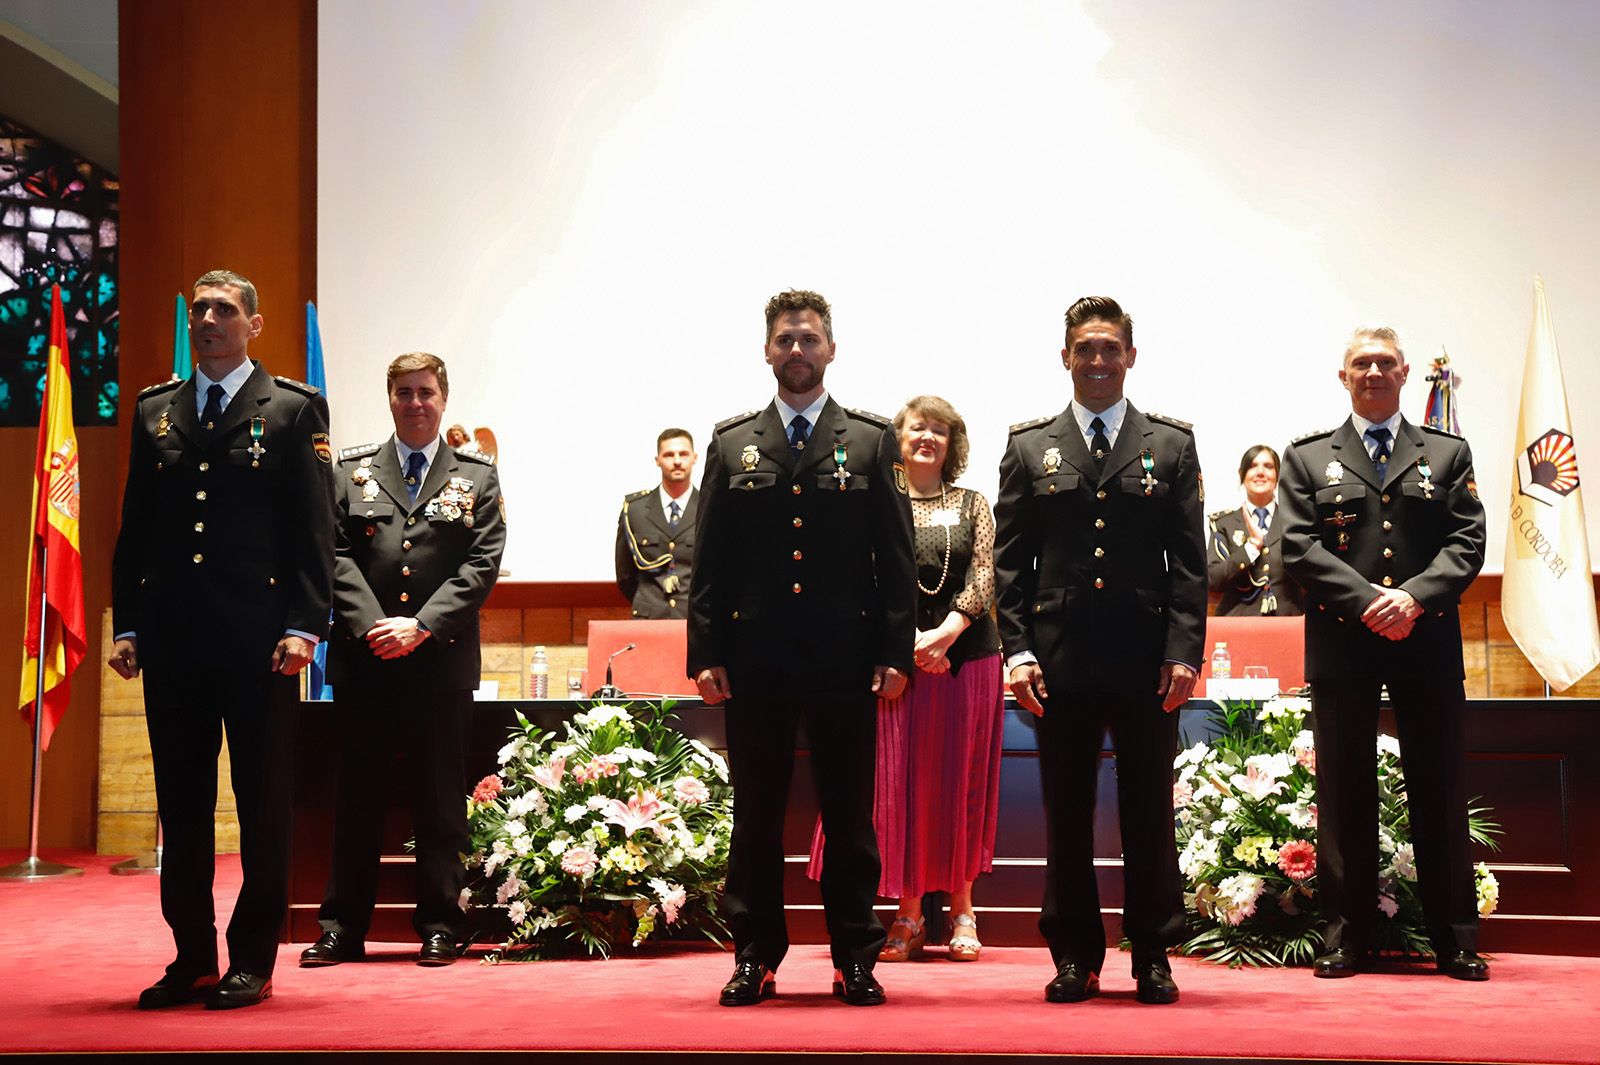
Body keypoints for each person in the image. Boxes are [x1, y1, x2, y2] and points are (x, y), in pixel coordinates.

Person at [109, 269, 336, 1010]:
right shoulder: (157, 410)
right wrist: (129, 622)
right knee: (182, 805)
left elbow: (313, 529)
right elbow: (136, 526)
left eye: (224, 309)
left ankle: (252, 958)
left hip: (261, 644)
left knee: (262, 803)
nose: (208, 318)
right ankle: (192, 956)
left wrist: (306, 626)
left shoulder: (293, 409)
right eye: (201, 307)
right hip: (174, 642)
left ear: (254, 324)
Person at [687, 289, 916, 1007]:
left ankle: (855, 954)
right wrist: (705, 650)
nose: (797, 351)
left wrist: (895, 652)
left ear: (831, 349)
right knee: (755, 814)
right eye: (785, 339)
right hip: (755, 661)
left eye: (810, 339)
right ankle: (755, 952)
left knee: (849, 815)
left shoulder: (872, 440)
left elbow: (896, 559)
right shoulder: (732, 443)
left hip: (844, 659)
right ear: (766, 350)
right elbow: (710, 560)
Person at [994, 295, 1207, 1006]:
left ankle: (1152, 951)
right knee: (1068, 811)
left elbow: (1190, 563)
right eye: (1085, 347)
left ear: (1130, 357)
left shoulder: (1171, 445)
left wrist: (1184, 649)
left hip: (1148, 661)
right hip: (1060, 663)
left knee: (1149, 810)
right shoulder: (1031, 447)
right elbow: (1009, 565)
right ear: (1065, 357)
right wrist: (1017, 653)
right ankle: (1076, 954)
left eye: (1110, 347)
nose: (1097, 359)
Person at [1278, 327, 1489, 981]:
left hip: (1425, 641)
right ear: (1343, 376)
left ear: (1403, 373)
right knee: (1343, 794)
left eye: (1384, 363)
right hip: (1344, 641)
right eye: (1360, 363)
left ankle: (1453, 938)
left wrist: (1414, 598)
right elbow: (1295, 544)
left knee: (1438, 789)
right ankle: (1346, 937)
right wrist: (1369, 599)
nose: (1373, 371)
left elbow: (1467, 540)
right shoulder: (1308, 457)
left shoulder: (1447, 453)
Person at [299, 352, 506, 970]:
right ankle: (342, 927)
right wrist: (373, 627)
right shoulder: (350, 471)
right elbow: (331, 552)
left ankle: (442, 924)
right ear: (390, 398)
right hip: (365, 664)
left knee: (440, 802)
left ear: (445, 398)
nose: (415, 403)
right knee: (356, 799)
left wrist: (420, 626)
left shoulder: (477, 477)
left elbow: (481, 564)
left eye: (426, 392)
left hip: (437, 664)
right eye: (404, 393)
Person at [805, 396, 1003, 963]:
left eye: (940, 430)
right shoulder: (876, 501)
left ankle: (963, 907)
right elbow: (864, 579)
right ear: (898, 438)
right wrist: (910, 648)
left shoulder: (973, 504)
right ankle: (910, 913)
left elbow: (985, 572)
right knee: (907, 789)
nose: (928, 438)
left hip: (968, 660)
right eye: (918, 427)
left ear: (952, 443)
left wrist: (945, 634)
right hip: (897, 666)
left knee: (960, 783)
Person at [1208, 444, 1304, 616]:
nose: (1260, 472)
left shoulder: (1296, 520)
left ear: (1279, 475)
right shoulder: (1224, 524)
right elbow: (1212, 580)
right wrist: (1250, 548)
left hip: (1288, 623)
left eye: (1268, 466)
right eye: (1253, 466)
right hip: (1238, 625)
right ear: (1242, 474)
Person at [615, 429, 699, 619]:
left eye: (683, 454)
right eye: (669, 455)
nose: (677, 461)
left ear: (694, 458)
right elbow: (625, 576)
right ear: (657, 460)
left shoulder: (708, 507)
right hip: (648, 618)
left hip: (693, 619)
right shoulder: (635, 510)